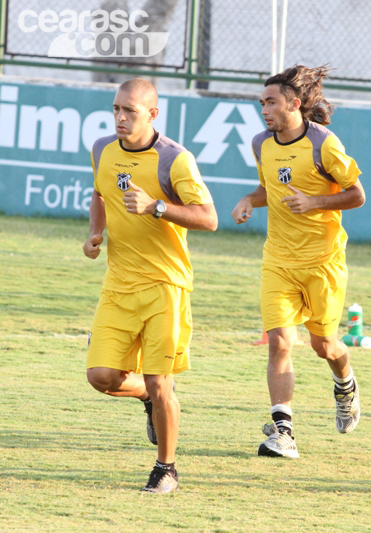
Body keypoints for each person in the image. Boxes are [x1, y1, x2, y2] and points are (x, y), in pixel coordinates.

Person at [83, 78, 218, 493]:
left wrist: (157, 206)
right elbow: (101, 194)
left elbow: (209, 218)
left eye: (131, 112)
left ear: (153, 114)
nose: (121, 118)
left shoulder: (175, 160)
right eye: (116, 110)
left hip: (165, 286)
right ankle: (147, 399)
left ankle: (166, 469)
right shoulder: (102, 150)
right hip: (119, 284)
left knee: (163, 383)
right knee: (101, 376)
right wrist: (95, 234)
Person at [232, 65, 366, 459]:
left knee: (325, 345)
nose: (264, 110)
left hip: (323, 262)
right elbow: (268, 188)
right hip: (278, 259)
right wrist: (247, 200)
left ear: (295, 104)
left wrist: (315, 202)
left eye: (271, 102)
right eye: (262, 103)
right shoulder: (261, 144)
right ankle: (284, 432)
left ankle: (345, 385)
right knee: (279, 341)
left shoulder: (324, 143)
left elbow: (357, 194)